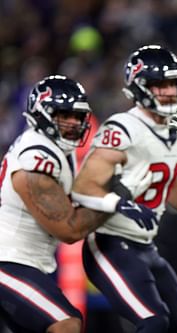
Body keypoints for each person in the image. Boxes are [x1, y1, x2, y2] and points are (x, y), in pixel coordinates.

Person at [71, 45, 177, 333]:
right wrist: (123, 203)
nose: (169, 92)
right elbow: (83, 187)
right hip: (110, 244)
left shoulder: (174, 129)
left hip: (146, 245)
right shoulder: (122, 128)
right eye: (160, 85)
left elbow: (175, 187)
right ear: (139, 87)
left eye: (173, 84)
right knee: (154, 322)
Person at [0, 75, 111, 333]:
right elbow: (69, 229)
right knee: (65, 322)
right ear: (41, 115)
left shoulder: (54, 150)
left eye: (77, 115)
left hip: (26, 263)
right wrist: (112, 201)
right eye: (64, 115)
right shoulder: (36, 156)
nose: (73, 123)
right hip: (8, 262)